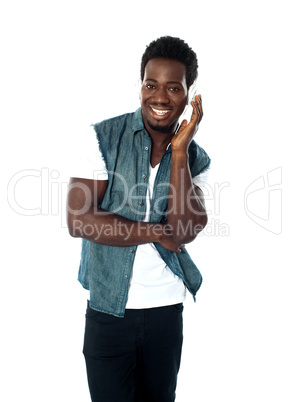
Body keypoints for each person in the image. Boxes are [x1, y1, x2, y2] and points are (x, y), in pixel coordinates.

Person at [67, 36, 210, 402]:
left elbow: (184, 231)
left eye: (173, 87)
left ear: (188, 93)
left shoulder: (198, 158)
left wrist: (179, 152)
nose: (160, 97)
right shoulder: (101, 137)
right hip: (108, 312)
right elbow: (80, 219)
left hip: (165, 312)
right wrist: (154, 232)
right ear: (141, 84)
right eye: (151, 84)